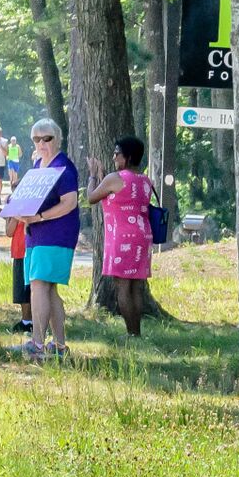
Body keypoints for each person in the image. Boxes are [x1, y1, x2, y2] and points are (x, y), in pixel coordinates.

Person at [15, 117, 78, 359]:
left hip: (56, 234)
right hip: (35, 233)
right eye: (36, 139)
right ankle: (59, 346)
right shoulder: (39, 165)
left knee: (39, 284)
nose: (41, 143)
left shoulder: (63, 167)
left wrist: (39, 217)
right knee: (48, 288)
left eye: (47, 138)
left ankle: (38, 344)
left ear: (57, 139)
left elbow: (70, 202)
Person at [86, 135, 154, 337]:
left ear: (128, 157)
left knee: (122, 286)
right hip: (142, 235)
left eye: (117, 153)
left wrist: (93, 176)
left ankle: (131, 333)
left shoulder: (115, 178)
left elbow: (91, 197)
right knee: (136, 286)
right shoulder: (145, 180)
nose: (114, 157)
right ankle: (137, 333)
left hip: (122, 237)